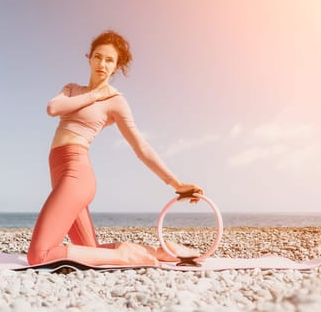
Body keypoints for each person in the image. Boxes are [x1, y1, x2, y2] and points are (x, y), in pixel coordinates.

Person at [27, 30, 204, 266]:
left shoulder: (116, 101)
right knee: (90, 251)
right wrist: (94, 95)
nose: (102, 63)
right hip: (59, 174)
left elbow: (141, 147)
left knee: (39, 255)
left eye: (110, 60)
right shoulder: (71, 89)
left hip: (76, 175)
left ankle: (125, 255)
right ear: (89, 58)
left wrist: (175, 183)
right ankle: (162, 252)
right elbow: (53, 108)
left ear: (116, 66)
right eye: (98, 56)